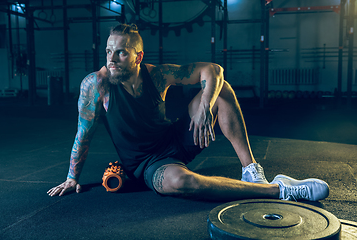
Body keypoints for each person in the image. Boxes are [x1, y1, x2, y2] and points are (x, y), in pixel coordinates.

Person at [47, 23, 329, 202]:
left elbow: (214, 70)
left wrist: (205, 105)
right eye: (109, 51)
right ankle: (279, 190)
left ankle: (252, 172)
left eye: (121, 52)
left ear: (138, 56)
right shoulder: (96, 85)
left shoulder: (157, 76)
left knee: (222, 89)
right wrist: (73, 178)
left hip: (177, 140)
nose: (111, 58)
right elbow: (82, 134)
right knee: (183, 182)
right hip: (147, 164)